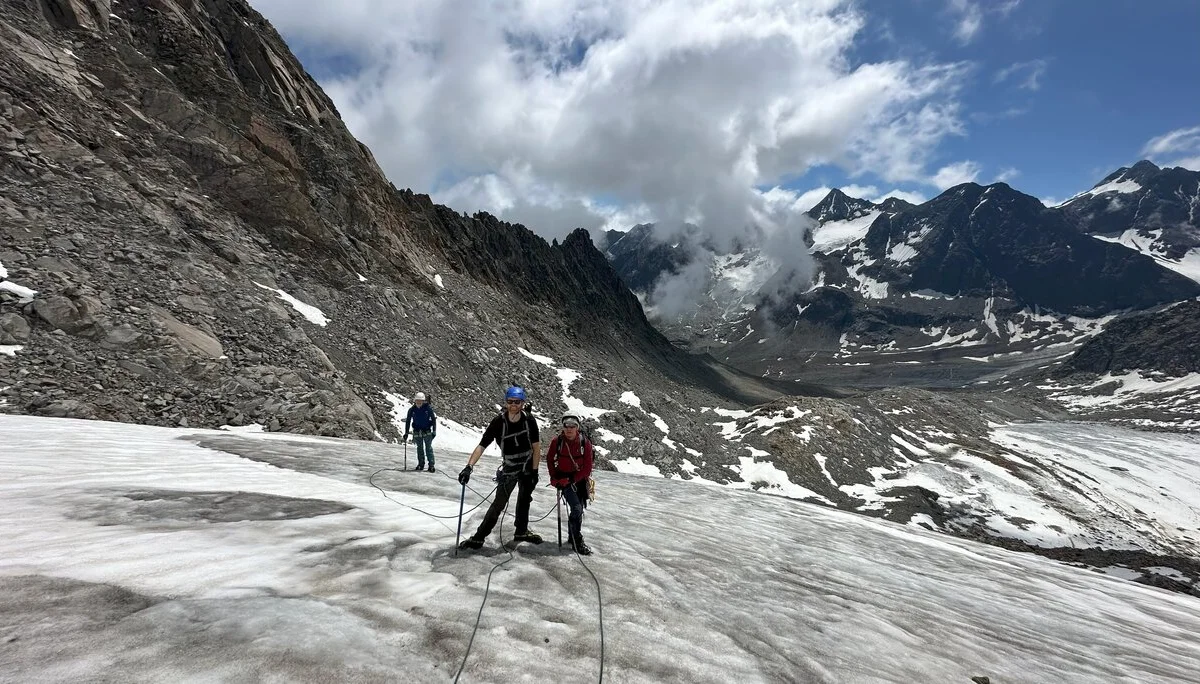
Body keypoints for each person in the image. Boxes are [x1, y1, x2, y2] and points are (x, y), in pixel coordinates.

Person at [457, 386, 543, 549]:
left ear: (522, 403)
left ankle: (521, 531)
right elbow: (482, 445)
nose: (513, 405)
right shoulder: (498, 422)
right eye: (510, 402)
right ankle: (479, 537)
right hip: (510, 467)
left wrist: (534, 471)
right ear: (506, 403)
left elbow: (536, 447)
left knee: (524, 499)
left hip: (527, 466)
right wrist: (469, 467)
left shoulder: (529, 420)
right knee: (499, 503)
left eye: (517, 402)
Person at [546, 413, 594, 555]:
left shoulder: (585, 443)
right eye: (566, 425)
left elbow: (587, 468)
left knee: (577, 510)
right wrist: (554, 477)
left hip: (579, 481)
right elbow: (550, 459)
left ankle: (572, 536)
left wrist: (571, 479)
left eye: (572, 426)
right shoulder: (557, 442)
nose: (569, 428)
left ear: (577, 427)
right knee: (577, 508)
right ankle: (576, 540)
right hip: (564, 481)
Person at [404, 392, 437, 472]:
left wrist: (434, 431)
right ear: (415, 401)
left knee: (428, 448)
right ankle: (421, 464)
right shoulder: (412, 410)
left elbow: (433, 419)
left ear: (423, 401)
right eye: (417, 401)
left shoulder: (428, 408)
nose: (419, 402)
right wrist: (406, 432)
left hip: (427, 431)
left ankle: (431, 465)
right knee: (420, 448)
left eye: (420, 401)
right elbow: (408, 421)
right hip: (417, 431)